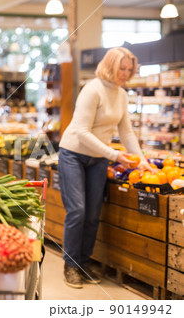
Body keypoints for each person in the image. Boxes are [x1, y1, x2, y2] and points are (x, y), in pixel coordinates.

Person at [58, 47, 153, 289]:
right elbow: (81, 131)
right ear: (109, 65)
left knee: (92, 214)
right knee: (77, 210)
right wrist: (115, 155)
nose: (125, 73)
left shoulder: (121, 94)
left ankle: (83, 262)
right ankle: (70, 265)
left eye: (129, 70)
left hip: (98, 159)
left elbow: (126, 132)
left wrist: (140, 158)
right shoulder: (92, 90)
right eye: (122, 68)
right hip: (74, 155)